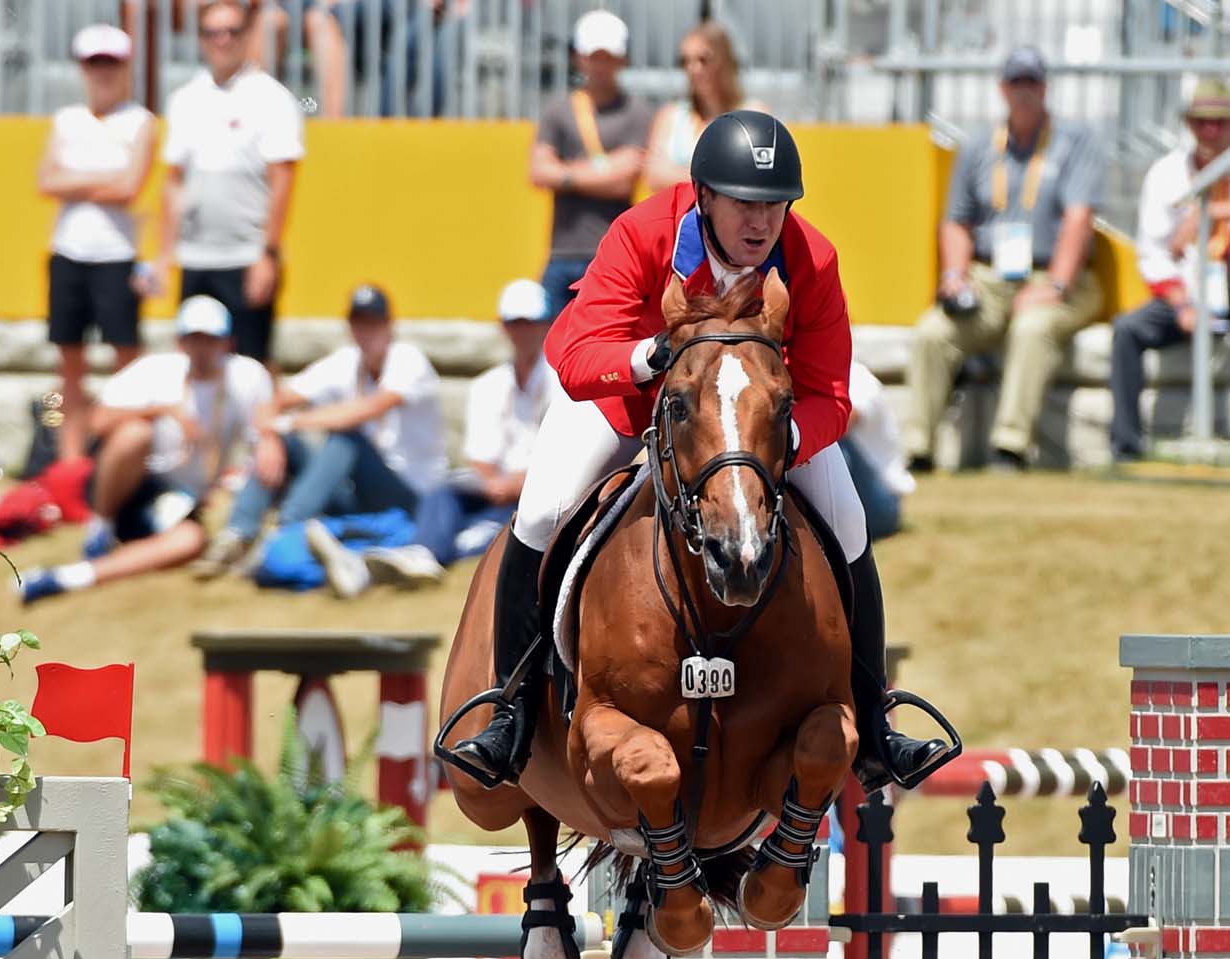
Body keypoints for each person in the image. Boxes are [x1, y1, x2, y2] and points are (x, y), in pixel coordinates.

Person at [452, 110, 952, 794]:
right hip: (625, 399)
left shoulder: (812, 259)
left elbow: (831, 390)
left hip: (750, 425)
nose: (763, 222)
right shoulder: (642, 233)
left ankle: (876, 719)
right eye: (746, 202)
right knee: (540, 511)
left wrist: (777, 439)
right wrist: (643, 356)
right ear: (705, 197)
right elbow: (572, 356)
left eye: (776, 205)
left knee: (850, 524)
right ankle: (509, 713)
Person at [904, 47, 1105, 473]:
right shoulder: (979, 145)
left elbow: (1078, 219)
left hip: (1056, 273)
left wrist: (1055, 285)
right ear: (1002, 88)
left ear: (1045, 87)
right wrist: (956, 276)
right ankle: (917, 447)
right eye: (1016, 82)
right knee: (932, 331)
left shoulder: (1075, 141)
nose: (1024, 91)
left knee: (1033, 328)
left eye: (1031, 82)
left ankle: (1009, 448)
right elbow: (956, 221)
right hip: (990, 274)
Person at [17, 297, 271, 605]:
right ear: (180, 342)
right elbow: (97, 421)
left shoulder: (246, 377)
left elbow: (265, 431)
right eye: (195, 339)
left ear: (227, 343)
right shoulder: (155, 370)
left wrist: (264, 450)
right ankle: (101, 526)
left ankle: (71, 577)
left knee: (191, 541)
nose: (203, 349)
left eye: (211, 340)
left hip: (178, 501)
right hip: (128, 484)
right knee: (135, 434)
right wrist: (163, 410)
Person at [198, 284, 447, 579]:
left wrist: (287, 423)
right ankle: (238, 534)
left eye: (373, 322)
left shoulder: (409, 360)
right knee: (288, 443)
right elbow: (274, 401)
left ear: (389, 325)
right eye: (358, 322)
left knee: (346, 438)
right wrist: (269, 439)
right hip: (357, 490)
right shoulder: (346, 361)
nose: (365, 331)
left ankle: (283, 533)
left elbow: (367, 409)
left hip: (411, 495)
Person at [157, 0, 304, 365]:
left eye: (231, 31)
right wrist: (164, 255)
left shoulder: (272, 98)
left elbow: (282, 181)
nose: (222, 40)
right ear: (200, 38)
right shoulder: (185, 99)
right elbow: (173, 183)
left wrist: (267, 254)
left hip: (244, 256)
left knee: (251, 365)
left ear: (247, 35)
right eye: (212, 32)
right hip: (196, 256)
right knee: (196, 365)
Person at [37, 25, 156, 464]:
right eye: (94, 63)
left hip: (116, 255)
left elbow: (130, 188)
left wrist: (74, 183)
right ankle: (70, 464)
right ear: (83, 69)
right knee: (70, 364)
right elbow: (45, 180)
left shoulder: (140, 121)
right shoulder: (67, 119)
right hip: (68, 252)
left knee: (126, 362)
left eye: (110, 62)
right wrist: (105, 180)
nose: (102, 72)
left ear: (126, 67)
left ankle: (117, 456)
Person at [398, 278, 559, 576]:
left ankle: (429, 553)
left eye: (530, 323)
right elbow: (479, 458)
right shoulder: (489, 384)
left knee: (498, 532)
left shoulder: (561, 384)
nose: (523, 332)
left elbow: (562, 461)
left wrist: (511, 484)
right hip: (493, 486)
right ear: (504, 327)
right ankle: (425, 553)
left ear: (545, 325)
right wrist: (498, 484)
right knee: (441, 493)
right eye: (516, 323)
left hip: (536, 493)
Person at [1110, 77, 1230, 463]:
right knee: (1127, 330)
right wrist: (1181, 303)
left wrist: (1211, 216)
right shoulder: (1166, 174)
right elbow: (1153, 252)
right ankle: (1126, 447)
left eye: (1221, 122)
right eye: (1202, 122)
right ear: (1189, 125)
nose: (1211, 130)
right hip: (1188, 293)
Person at [530, 10, 653, 321]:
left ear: (622, 59)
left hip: (612, 256)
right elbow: (538, 171)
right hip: (561, 253)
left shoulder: (637, 111)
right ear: (578, 58)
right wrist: (603, 171)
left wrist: (566, 173)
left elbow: (625, 180)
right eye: (593, 57)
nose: (600, 66)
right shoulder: (558, 109)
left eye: (608, 57)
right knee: (552, 354)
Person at [644, 21, 759, 194]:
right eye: (685, 61)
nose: (693, 69)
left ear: (724, 61)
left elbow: (755, 178)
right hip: (680, 219)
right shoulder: (671, 115)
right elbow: (654, 176)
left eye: (703, 59)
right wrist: (718, 178)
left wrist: (678, 174)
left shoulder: (752, 113)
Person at [841, 360, 915, 542]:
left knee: (833, 446)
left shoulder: (858, 375)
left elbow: (843, 422)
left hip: (881, 502)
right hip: (865, 494)